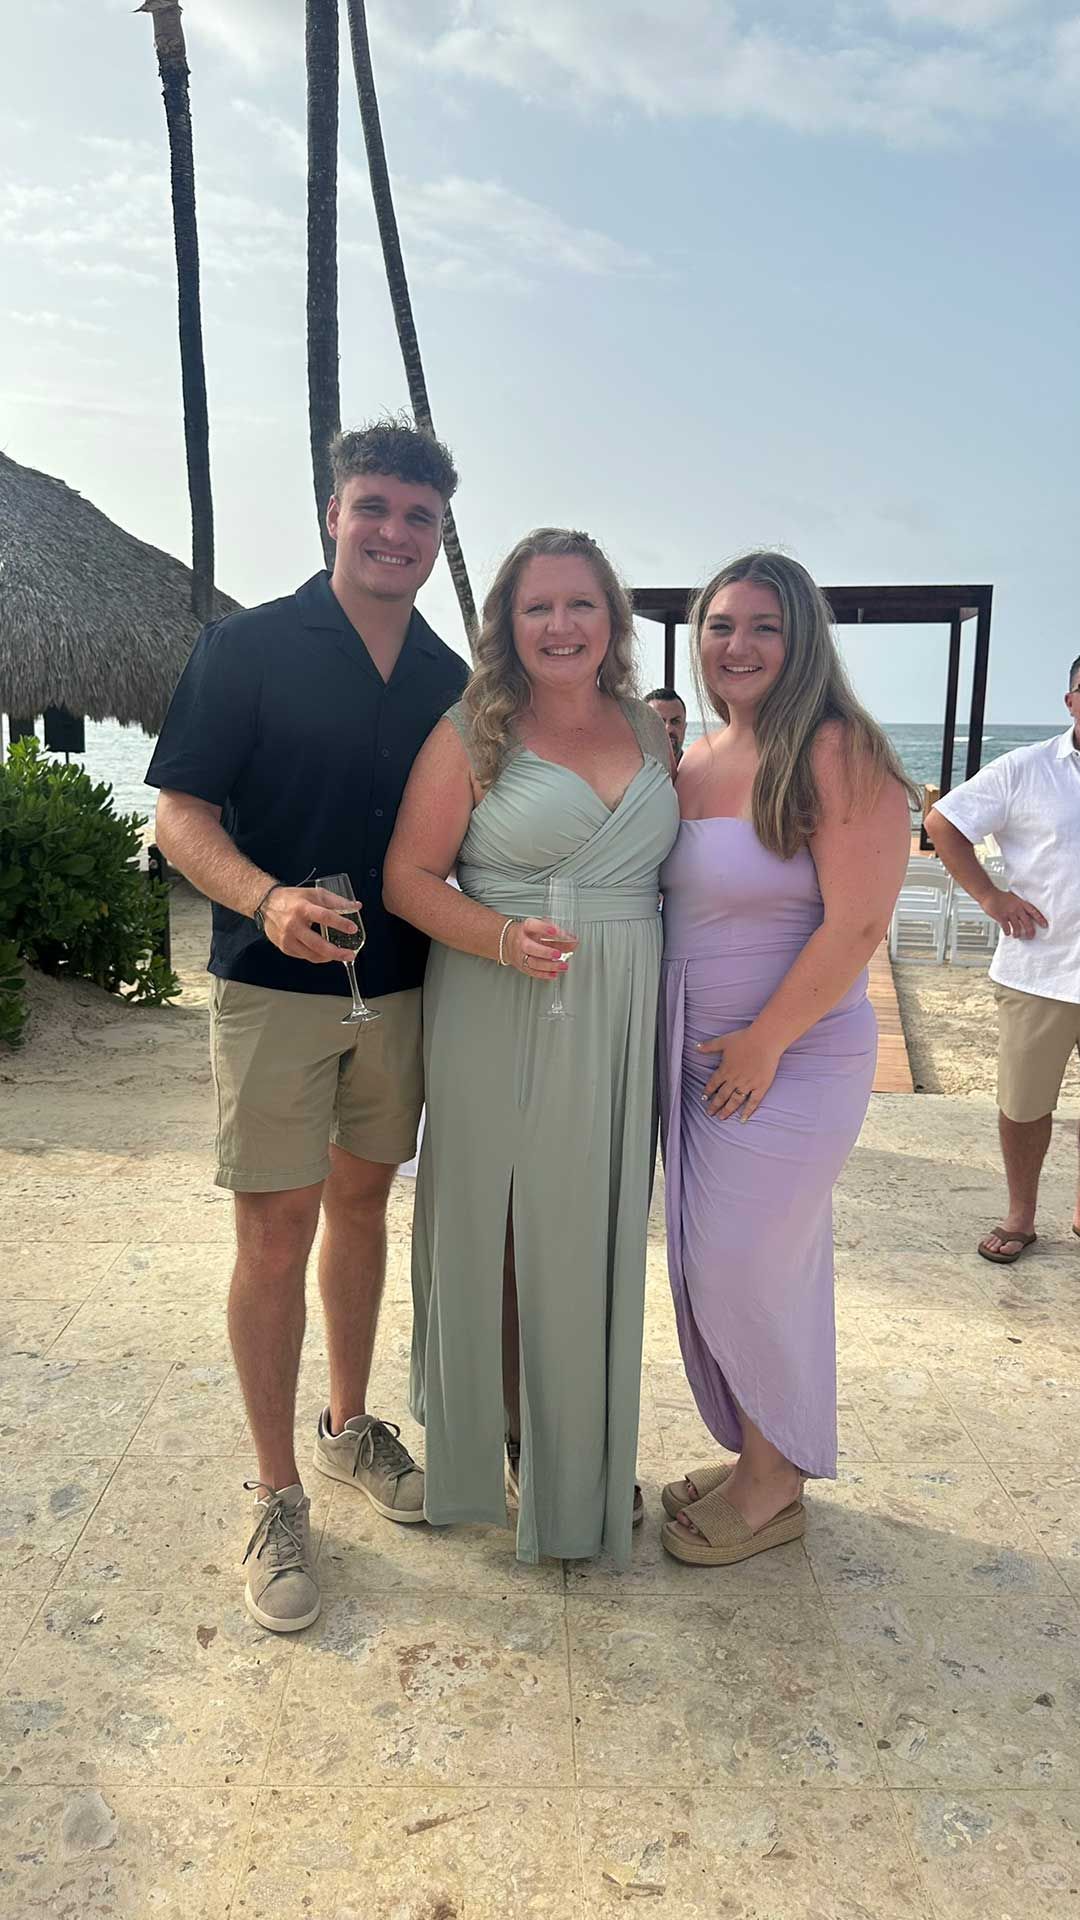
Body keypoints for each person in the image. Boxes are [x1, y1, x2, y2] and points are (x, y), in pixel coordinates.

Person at [146, 417, 469, 1632]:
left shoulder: (450, 679)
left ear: (439, 536)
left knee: (363, 1205)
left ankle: (346, 1427)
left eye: (418, 516)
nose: (394, 531)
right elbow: (180, 815)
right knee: (275, 1230)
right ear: (334, 512)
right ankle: (276, 1491)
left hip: (404, 987)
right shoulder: (247, 648)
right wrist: (266, 898)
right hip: (270, 990)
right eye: (374, 506)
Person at [383, 528, 679, 1565]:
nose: (560, 625)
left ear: (613, 620)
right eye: (537, 607)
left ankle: (576, 1439)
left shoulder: (646, 728)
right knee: (505, 1226)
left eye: (581, 604)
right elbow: (407, 879)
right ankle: (514, 1432)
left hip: (619, 1005)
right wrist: (503, 939)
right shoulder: (472, 730)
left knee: (589, 1225)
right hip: (500, 995)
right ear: (508, 624)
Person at [657, 551, 911, 1568]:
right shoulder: (696, 757)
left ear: (803, 638)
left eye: (765, 625)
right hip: (694, 1059)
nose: (740, 644)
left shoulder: (838, 751)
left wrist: (765, 1040)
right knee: (720, 1263)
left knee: (740, 1261)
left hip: (791, 1057)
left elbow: (858, 926)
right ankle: (762, 1452)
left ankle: (775, 1484)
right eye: (722, 624)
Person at [925, 657, 1080, 1264]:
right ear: (1070, 700)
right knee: (1024, 1103)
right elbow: (943, 822)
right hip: (1041, 970)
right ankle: (1021, 1215)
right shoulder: (1026, 769)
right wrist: (991, 896)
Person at [645, 686, 688, 764]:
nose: (668, 729)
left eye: (675, 721)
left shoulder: (699, 770)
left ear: (685, 728)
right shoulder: (627, 769)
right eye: (659, 721)